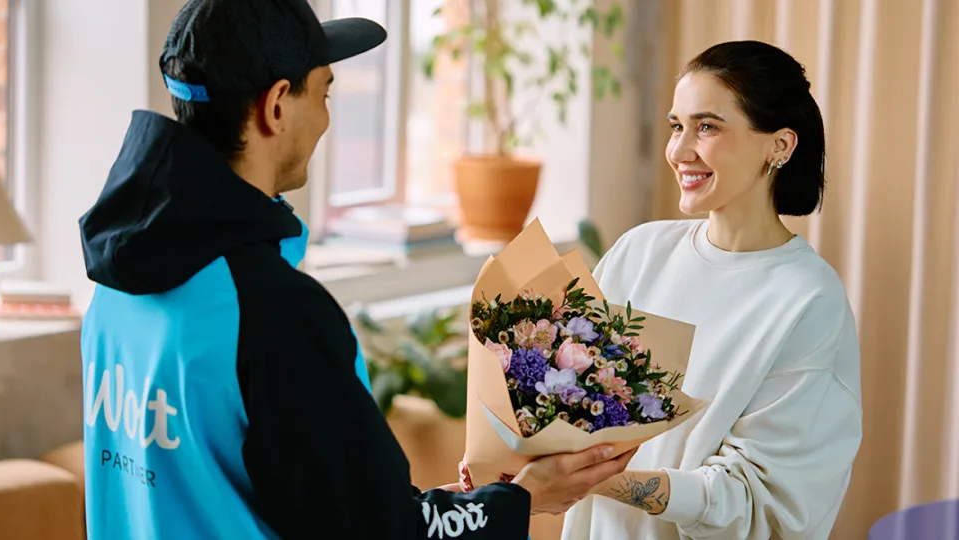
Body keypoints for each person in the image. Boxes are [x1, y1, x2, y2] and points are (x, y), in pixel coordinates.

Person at [77, 1, 634, 539]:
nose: (325, 119)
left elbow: (322, 508)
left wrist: (459, 507)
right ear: (276, 106)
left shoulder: (119, 283)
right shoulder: (273, 311)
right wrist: (524, 499)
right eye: (323, 93)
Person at [461, 40, 863, 539]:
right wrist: (506, 461)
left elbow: (760, 505)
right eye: (677, 126)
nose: (679, 151)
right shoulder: (640, 251)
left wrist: (582, 479)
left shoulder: (808, 301)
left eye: (707, 127)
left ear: (779, 145)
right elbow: (570, 410)